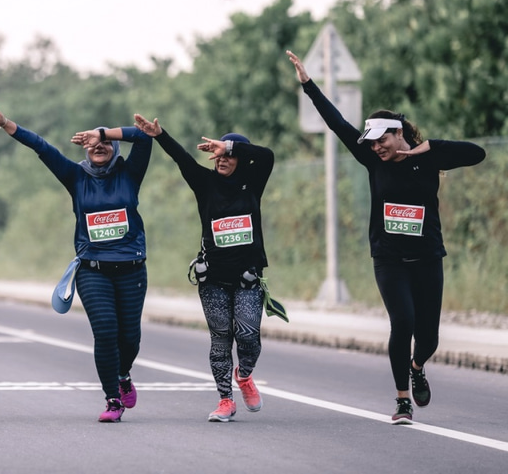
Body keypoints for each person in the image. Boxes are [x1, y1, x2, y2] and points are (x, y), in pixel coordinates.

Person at [286, 50, 486, 425]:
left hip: (427, 257)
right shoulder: (371, 160)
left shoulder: (428, 158)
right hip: (389, 259)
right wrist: (308, 85)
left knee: (429, 339)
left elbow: (477, 153)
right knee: (403, 322)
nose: (377, 147)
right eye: (372, 142)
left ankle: (417, 366)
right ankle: (402, 400)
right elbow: (337, 123)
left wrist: (431, 147)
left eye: (383, 140)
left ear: (399, 134)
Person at [0, 98, 152, 422]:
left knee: (129, 339)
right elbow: (42, 147)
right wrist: (5, 124)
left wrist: (102, 132)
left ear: (114, 146)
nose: (99, 147)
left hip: (132, 270)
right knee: (106, 332)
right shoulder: (75, 177)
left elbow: (144, 137)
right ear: (84, 149)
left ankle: (123, 374)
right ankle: (112, 400)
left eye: (106, 143)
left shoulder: (130, 174)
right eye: (94, 144)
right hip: (93, 269)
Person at [134, 114, 275, 422]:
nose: (221, 159)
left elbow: (267, 156)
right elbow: (182, 159)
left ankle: (244, 375)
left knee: (248, 336)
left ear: (240, 158)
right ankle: (225, 400)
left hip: (247, 276)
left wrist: (230, 145)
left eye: (228, 155)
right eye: (218, 155)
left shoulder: (253, 183)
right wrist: (160, 135)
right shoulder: (205, 183)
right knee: (220, 339)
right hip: (213, 277)